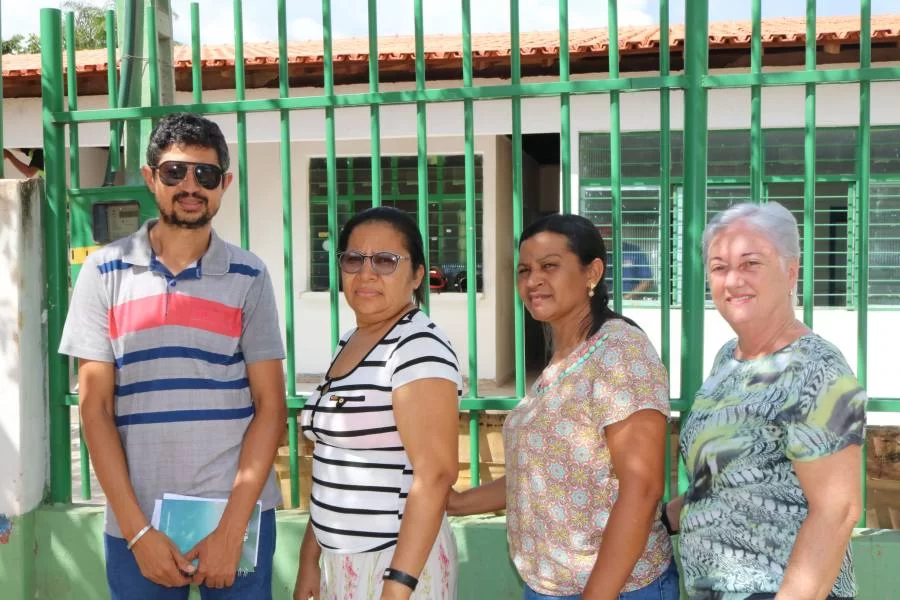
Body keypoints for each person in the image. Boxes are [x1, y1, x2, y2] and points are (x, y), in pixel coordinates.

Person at [59, 113, 286, 600]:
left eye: (205, 175)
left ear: (225, 183)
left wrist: (232, 529)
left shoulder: (250, 276)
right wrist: (138, 533)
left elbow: (271, 406)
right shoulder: (102, 273)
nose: (190, 186)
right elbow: (95, 409)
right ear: (150, 177)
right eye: (174, 172)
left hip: (238, 517)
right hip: (137, 523)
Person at [448, 213, 678, 600]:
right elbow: (540, 476)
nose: (533, 280)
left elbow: (643, 487)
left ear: (592, 273)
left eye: (549, 266)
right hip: (549, 586)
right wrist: (455, 503)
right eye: (524, 270)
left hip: (616, 589)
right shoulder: (563, 359)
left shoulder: (620, 351)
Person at [663, 202, 866, 600]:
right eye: (719, 267)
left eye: (750, 263)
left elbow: (837, 512)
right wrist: (657, 520)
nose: (732, 280)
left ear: (791, 271)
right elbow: (726, 480)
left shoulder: (817, 370)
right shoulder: (728, 358)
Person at [294, 206, 461, 600]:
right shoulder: (350, 341)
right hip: (343, 563)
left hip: (396, 566)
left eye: (386, 261)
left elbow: (435, 475)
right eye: (354, 258)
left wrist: (397, 588)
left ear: (418, 274)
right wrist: (308, 561)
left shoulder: (417, 347)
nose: (366, 273)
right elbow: (332, 464)